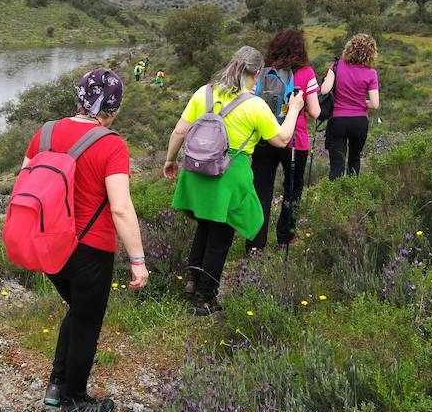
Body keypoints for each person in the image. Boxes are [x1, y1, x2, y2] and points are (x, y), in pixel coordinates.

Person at [21, 68, 149, 412]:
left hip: (48, 245)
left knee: (77, 310)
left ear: (79, 96)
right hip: (90, 249)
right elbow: (121, 207)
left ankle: (57, 384)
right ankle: (74, 402)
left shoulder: (44, 132)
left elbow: (25, 185)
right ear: (114, 108)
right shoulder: (111, 145)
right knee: (87, 321)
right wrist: (138, 262)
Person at [163, 46, 304, 315]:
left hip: (196, 170)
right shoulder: (255, 106)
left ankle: (193, 281)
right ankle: (205, 299)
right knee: (221, 234)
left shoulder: (203, 92)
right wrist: (295, 108)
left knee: (204, 225)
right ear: (257, 74)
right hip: (228, 174)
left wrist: (170, 161)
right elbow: (282, 139)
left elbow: (180, 131)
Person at [246, 28, 321, 253]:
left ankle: (255, 244)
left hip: (264, 138)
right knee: (293, 188)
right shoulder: (306, 73)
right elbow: (316, 112)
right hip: (294, 141)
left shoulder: (263, 71)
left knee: (261, 190)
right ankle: (286, 236)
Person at [319, 33, 380, 180]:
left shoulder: (336, 66)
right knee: (354, 160)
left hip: (338, 121)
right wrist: (360, 102)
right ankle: (352, 196)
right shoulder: (371, 73)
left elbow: (324, 90)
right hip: (359, 122)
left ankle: (333, 199)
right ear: (371, 53)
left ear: (350, 48)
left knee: (337, 165)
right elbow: (375, 104)